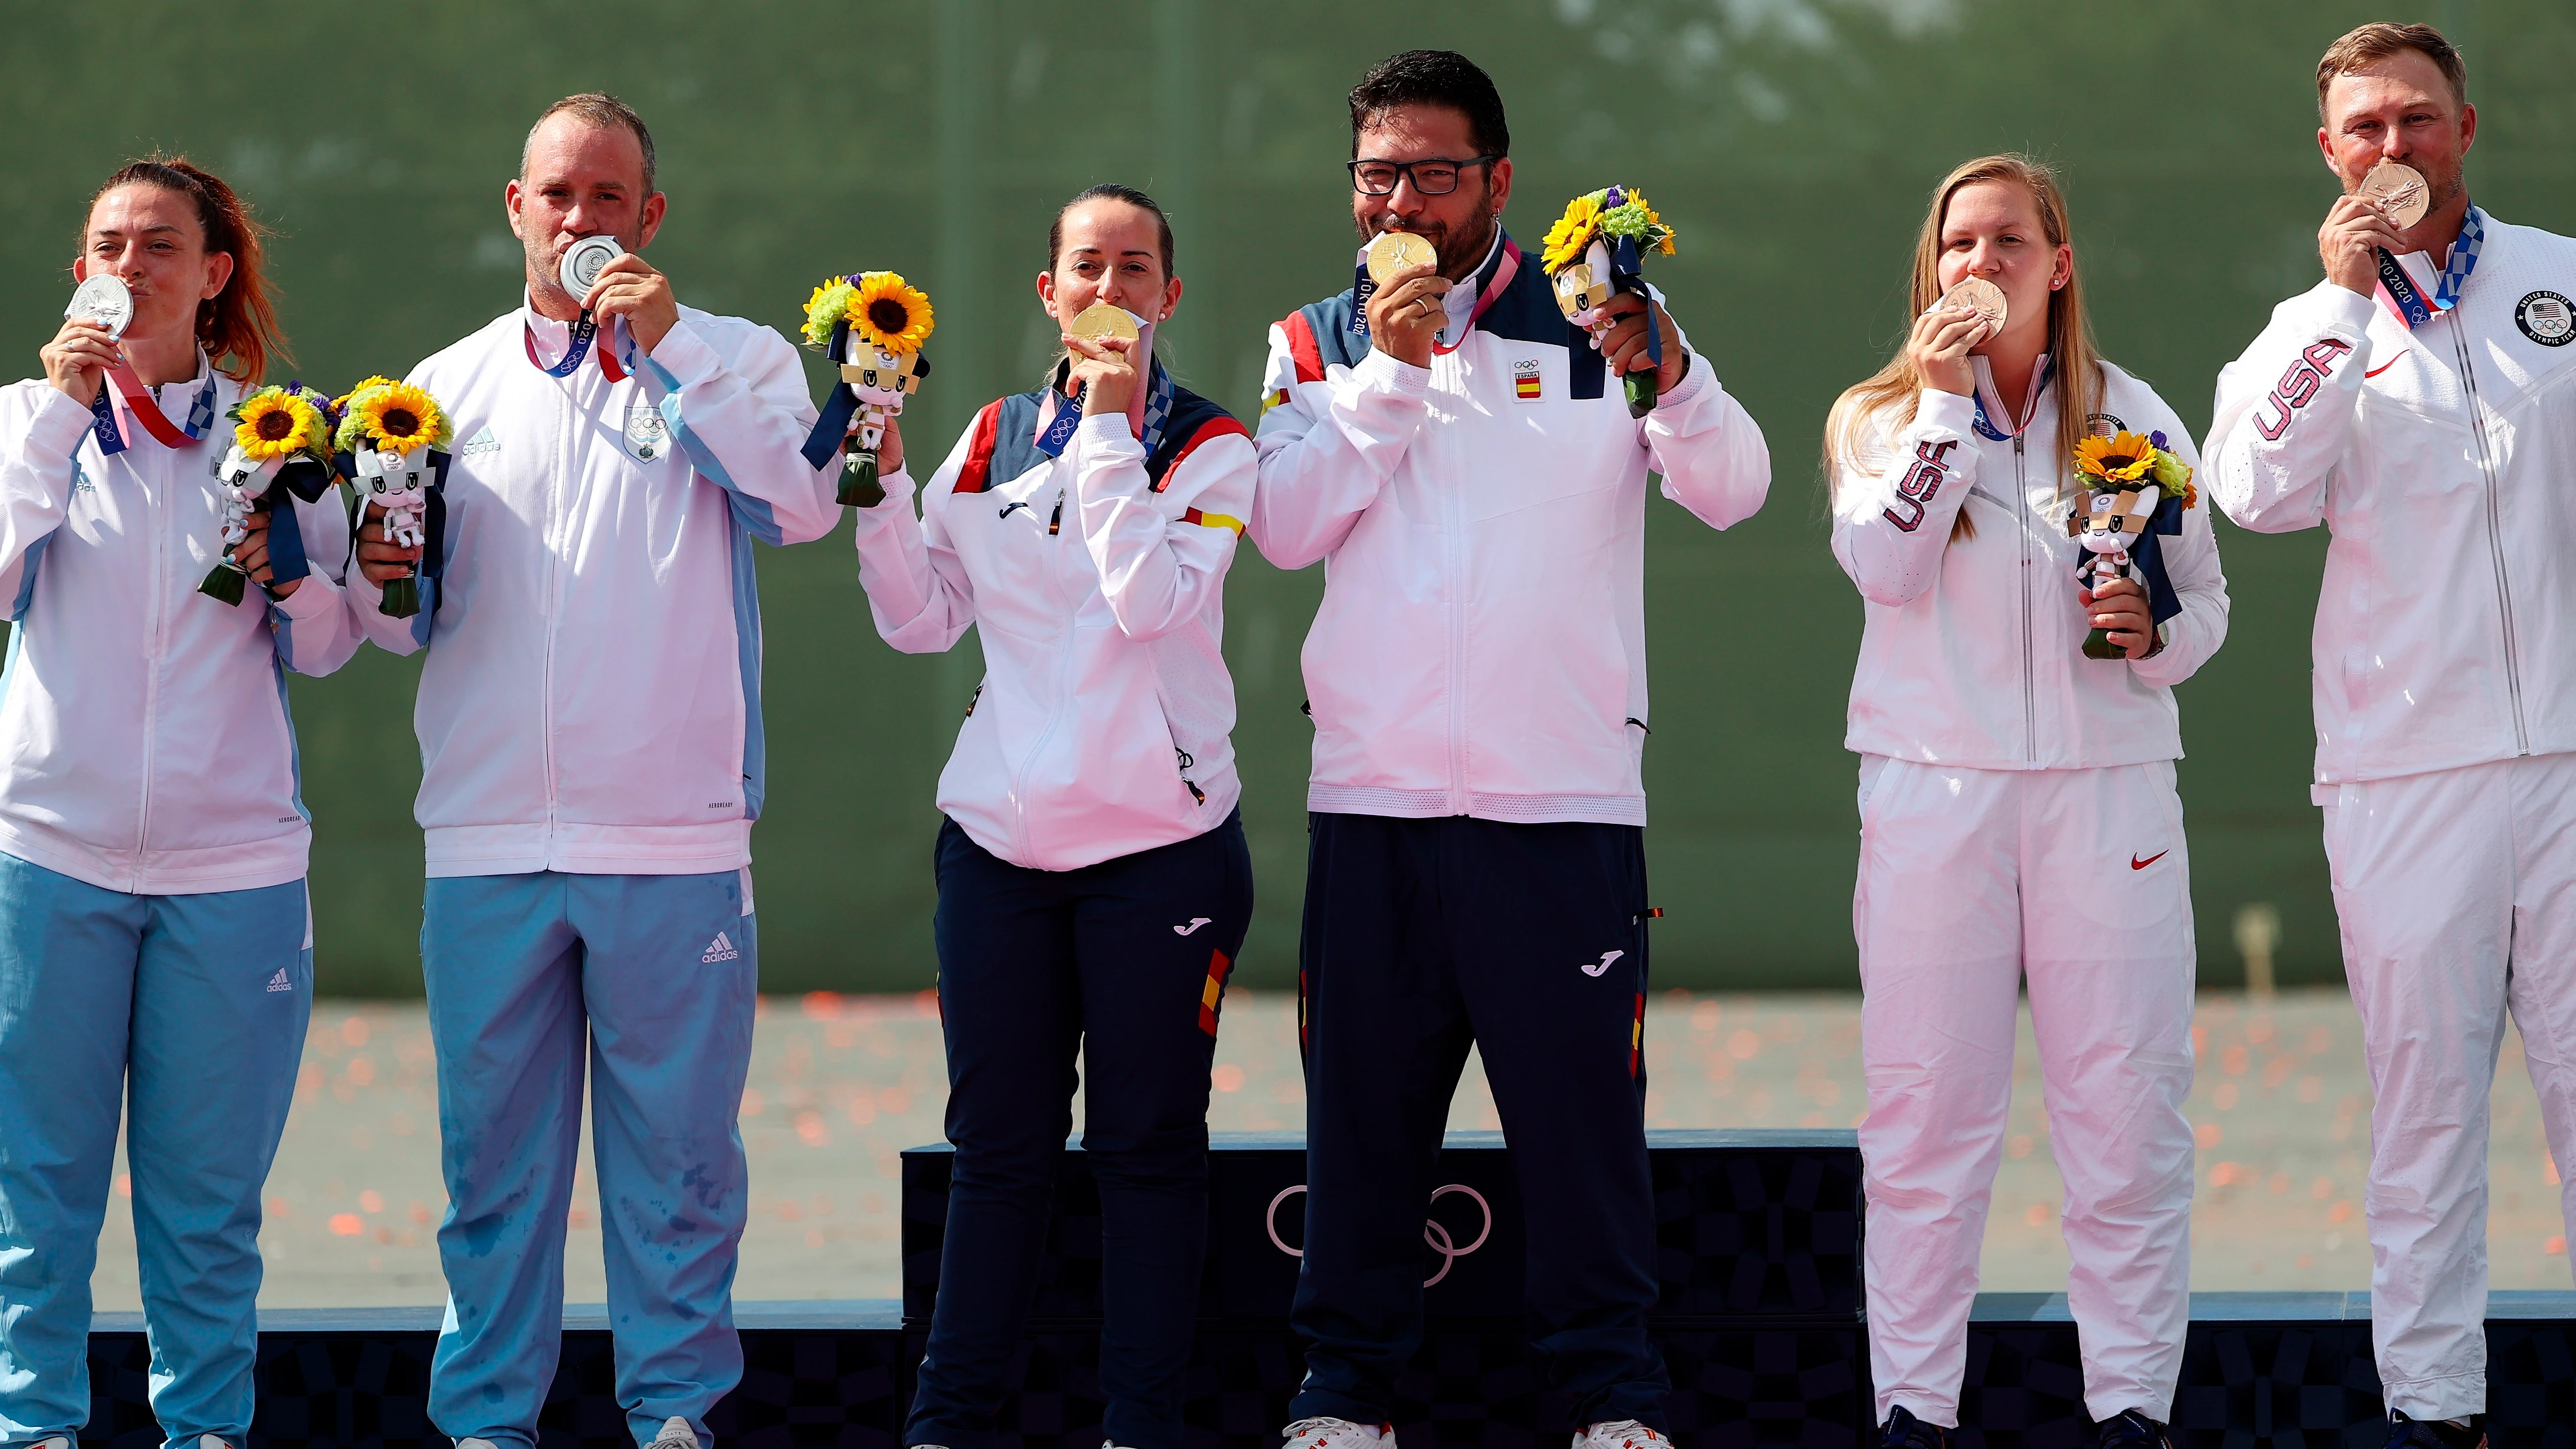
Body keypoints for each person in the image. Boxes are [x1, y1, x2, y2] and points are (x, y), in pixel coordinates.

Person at [1247, 50, 1771, 1449]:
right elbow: (1287, 527)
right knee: (1360, 1130)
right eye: (1377, 176)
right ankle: (1342, 1393)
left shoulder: (1601, 317)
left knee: (1582, 1139)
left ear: (1499, 181)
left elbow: (1735, 489)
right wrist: (1392, 376)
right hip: (1376, 801)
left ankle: (1612, 1398)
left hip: (1564, 805)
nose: (1400, 201)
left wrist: (1671, 372)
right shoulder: (1314, 341)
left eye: (1432, 172)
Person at [347, 94, 840, 1449]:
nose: (581, 221)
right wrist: (383, 576)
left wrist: (670, 346)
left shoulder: (733, 359)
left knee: (679, 1169)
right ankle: (489, 1423)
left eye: (608, 198)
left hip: (673, 843)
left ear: (650, 218)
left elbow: (800, 508)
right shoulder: (433, 392)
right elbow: (398, 624)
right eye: (558, 195)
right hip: (489, 840)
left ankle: (675, 1413)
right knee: (490, 1176)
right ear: (515, 208)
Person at [2206, 24, 2576, 1448]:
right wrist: (2336, 306)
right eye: (2362, 130)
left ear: (2465, 130)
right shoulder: (2304, 331)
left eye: (2415, 122)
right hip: (2404, 774)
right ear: (2328, 155)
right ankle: (2436, 1411)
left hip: (2564, 766)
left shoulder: (2555, 281)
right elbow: (2253, 492)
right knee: (2426, 1116)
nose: (2391, 152)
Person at [1828, 155, 2228, 1449]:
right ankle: (1913, 1411)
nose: (1978, 265)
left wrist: (2150, 624)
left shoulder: (2141, 417)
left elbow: (2205, 606)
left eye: (2008, 242)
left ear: (2060, 264)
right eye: (1957, 245)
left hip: (2107, 796)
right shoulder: (1877, 418)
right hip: (1935, 791)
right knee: (1926, 1115)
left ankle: (2127, 1410)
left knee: (2126, 1115)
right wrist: (1945, 409)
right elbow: (1883, 569)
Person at [851, 183, 1256, 1449]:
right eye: (1088, 265)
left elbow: (1145, 603)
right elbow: (920, 619)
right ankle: (946, 1425)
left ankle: (1138, 1427)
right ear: (1049, 289)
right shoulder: (984, 435)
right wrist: (880, 482)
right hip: (1000, 854)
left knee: (1145, 1147)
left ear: (1168, 296)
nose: (1110, 289)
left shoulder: (1215, 445)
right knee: (997, 1150)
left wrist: (1109, 430)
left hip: (1162, 851)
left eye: (1138, 268)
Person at [0, 159, 361, 1449]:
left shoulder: (284, 434)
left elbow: (329, 644)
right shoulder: (27, 421)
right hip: (48, 859)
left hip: (234, 874)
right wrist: (58, 411)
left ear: (214, 276)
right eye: (108, 241)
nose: (130, 263)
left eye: (161, 244)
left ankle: (205, 1430)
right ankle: (31, 1430)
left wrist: (289, 582)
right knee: (32, 1193)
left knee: (204, 1203)